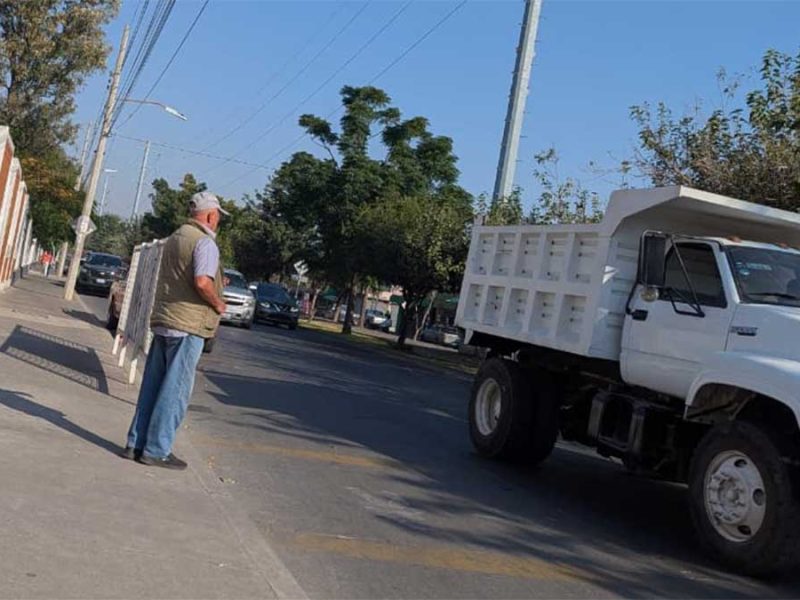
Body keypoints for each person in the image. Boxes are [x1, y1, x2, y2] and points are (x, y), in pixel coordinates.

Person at [122, 191, 228, 469]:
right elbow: (202, 282)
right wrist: (218, 303)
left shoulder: (175, 237)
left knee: (153, 385)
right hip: (189, 325)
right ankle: (157, 450)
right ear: (209, 215)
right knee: (176, 390)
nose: (218, 222)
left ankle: (136, 443)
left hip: (165, 320)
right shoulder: (205, 243)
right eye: (217, 217)